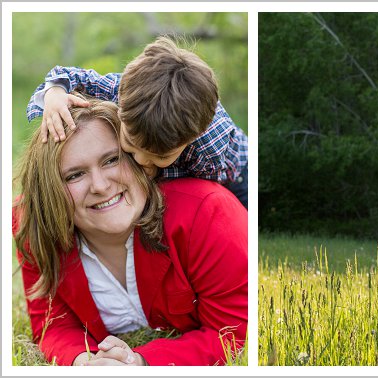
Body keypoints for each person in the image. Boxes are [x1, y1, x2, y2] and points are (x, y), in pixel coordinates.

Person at [13, 98, 248, 366]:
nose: (100, 186)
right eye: (74, 175)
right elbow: (53, 326)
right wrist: (86, 363)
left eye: (112, 160)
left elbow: (232, 333)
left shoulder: (207, 213)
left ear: (141, 159)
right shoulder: (35, 227)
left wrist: (140, 362)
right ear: (51, 190)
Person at [25, 36, 248, 208]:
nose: (141, 159)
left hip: (238, 178)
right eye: (131, 142)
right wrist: (54, 94)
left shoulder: (208, 151)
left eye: (161, 156)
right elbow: (66, 75)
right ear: (120, 104)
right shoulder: (123, 90)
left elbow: (202, 194)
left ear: (191, 139)